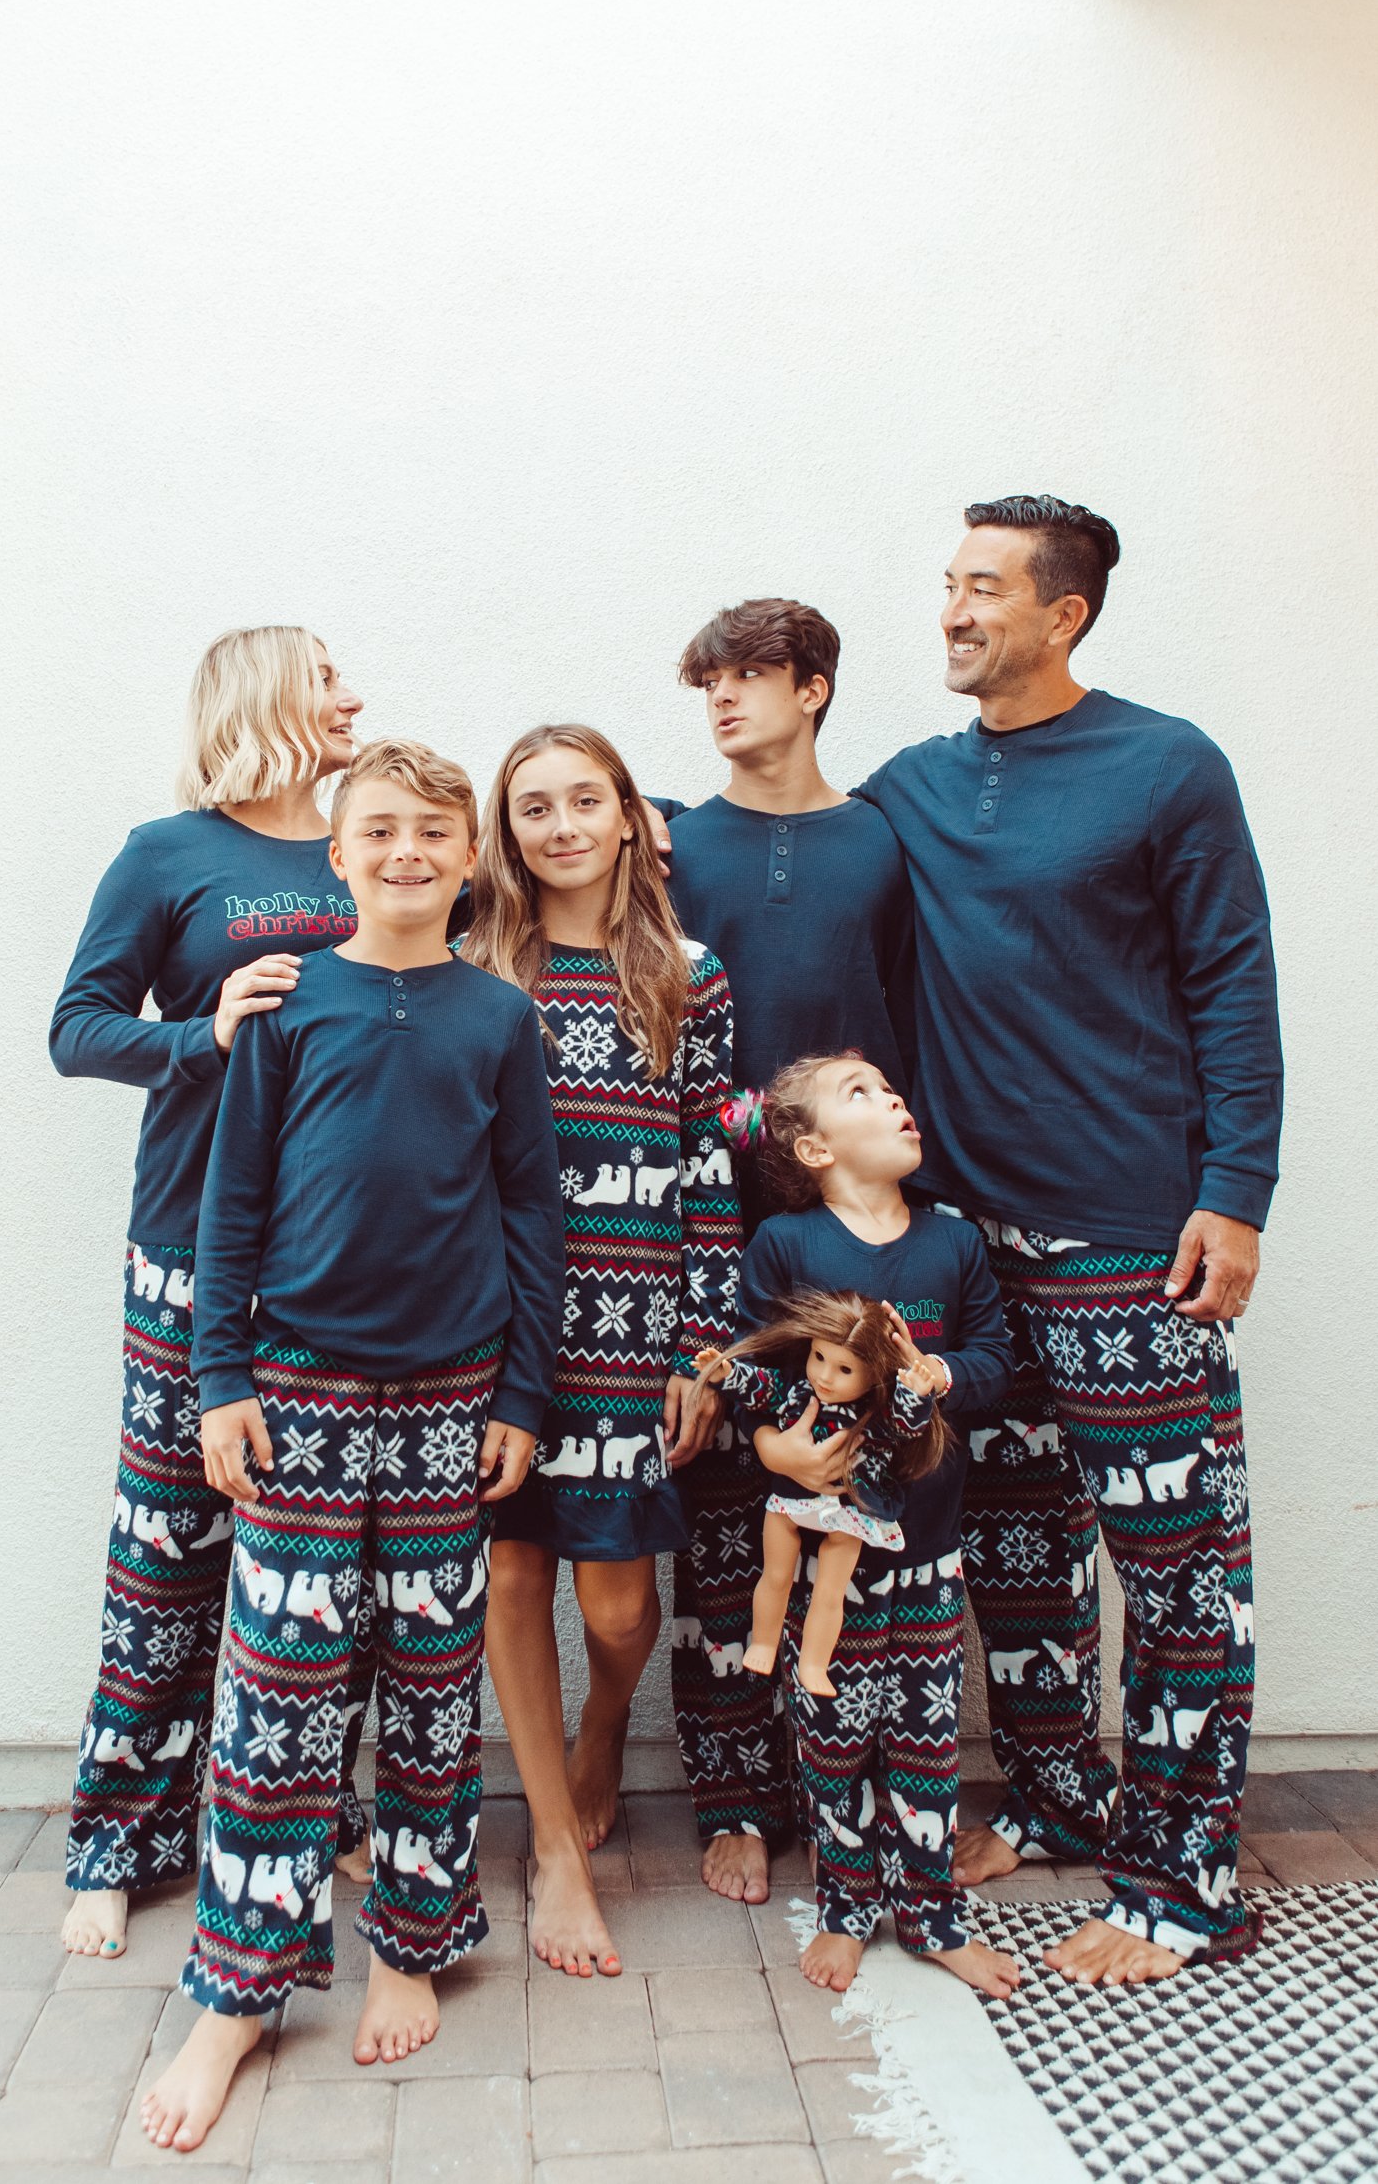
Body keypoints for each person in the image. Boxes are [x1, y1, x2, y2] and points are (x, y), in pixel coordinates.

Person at [857, 494, 1282, 1984]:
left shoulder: (1164, 767)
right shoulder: (909, 784)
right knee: (1020, 1554)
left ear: (1062, 615)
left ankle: (1182, 1881)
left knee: (1173, 1571)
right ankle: (1053, 1803)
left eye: (982, 588)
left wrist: (1232, 1193)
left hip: (1126, 1238)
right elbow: (778, 863)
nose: (952, 612)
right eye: (946, 584)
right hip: (967, 1244)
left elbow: (1232, 984)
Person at [138, 739, 564, 2151]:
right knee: (279, 1696)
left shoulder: (498, 1018)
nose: (403, 854)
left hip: (452, 1402)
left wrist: (517, 1398)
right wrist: (217, 1380)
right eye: (375, 831)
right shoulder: (279, 1003)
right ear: (337, 854)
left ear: (465, 858)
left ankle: (411, 1938)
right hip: (300, 1390)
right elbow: (228, 1200)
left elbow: (530, 1219)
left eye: (430, 834)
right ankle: (238, 1993)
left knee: (433, 1690)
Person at [49, 625, 364, 1961]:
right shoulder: (167, 853)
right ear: (270, 699)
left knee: (314, 1564)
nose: (353, 695)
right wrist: (205, 1032)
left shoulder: (369, 847)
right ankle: (115, 1838)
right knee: (167, 1548)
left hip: (338, 1262)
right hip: (189, 1246)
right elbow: (76, 1029)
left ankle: (315, 1815)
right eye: (329, 676)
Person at [460, 725, 737, 1982]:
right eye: (533, 806)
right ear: (503, 833)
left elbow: (711, 1170)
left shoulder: (687, 972)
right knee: (513, 1577)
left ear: (631, 816)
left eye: (587, 799)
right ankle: (556, 1859)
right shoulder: (477, 965)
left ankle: (603, 1721)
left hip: (635, 1327)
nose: (561, 824)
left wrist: (705, 1342)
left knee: (617, 1606)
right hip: (502, 1326)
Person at [657, 597, 913, 1906]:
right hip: (711, 1225)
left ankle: (849, 1789)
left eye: (749, 677)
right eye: (707, 681)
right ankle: (734, 1803)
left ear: (811, 689)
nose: (720, 700)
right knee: (719, 1518)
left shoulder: (882, 839)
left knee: (860, 1502)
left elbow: (916, 1014)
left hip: (853, 1233)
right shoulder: (673, 843)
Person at [721, 1051, 1020, 2000]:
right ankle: (848, 1907)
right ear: (813, 1146)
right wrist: (775, 1450)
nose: (893, 1098)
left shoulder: (951, 1242)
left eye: (893, 1088)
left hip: (928, 1554)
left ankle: (931, 1915)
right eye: (863, 1093)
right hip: (821, 1562)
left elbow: (995, 1362)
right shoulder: (786, 1244)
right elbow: (755, 1373)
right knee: (833, 1738)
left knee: (927, 1747)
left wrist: (938, 1376)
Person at [704, 1285, 943, 1696]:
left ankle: (814, 1665)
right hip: (789, 1499)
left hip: (850, 1507)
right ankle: (763, 1641)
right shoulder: (798, 1390)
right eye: (818, 1358)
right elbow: (762, 1388)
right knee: (775, 1574)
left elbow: (907, 1423)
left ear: (873, 1373)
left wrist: (917, 1394)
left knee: (830, 1593)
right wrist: (729, 1374)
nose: (825, 1377)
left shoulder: (874, 1413)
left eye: (845, 1370)